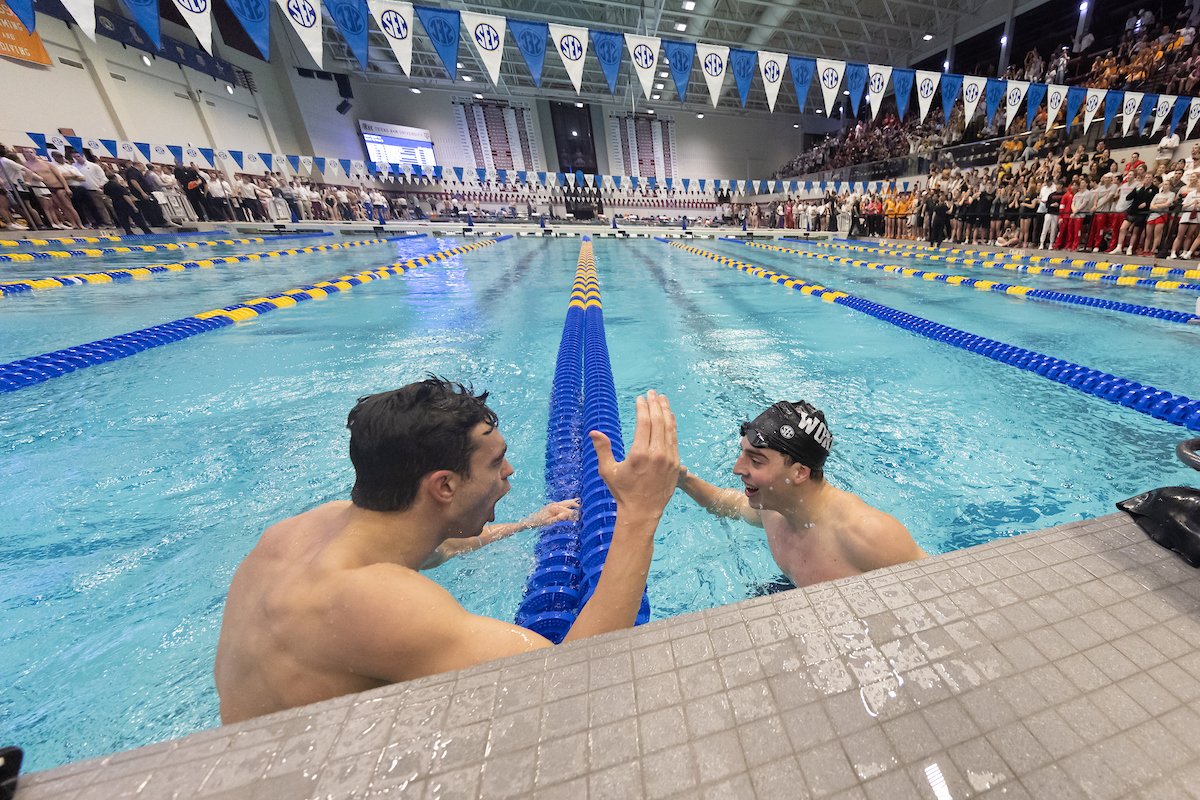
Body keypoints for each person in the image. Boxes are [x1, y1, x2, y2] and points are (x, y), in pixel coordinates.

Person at [215, 380, 680, 724]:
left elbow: (439, 549)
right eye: (496, 463)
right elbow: (573, 682)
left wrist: (528, 523)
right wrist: (640, 512)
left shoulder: (303, 531)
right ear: (444, 485)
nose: (509, 471)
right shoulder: (376, 601)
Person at [675, 400, 925, 589]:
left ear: (799, 472)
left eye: (756, 461)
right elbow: (726, 504)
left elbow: (942, 588)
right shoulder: (773, 510)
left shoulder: (868, 534)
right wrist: (681, 480)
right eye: (742, 454)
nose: (737, 469)